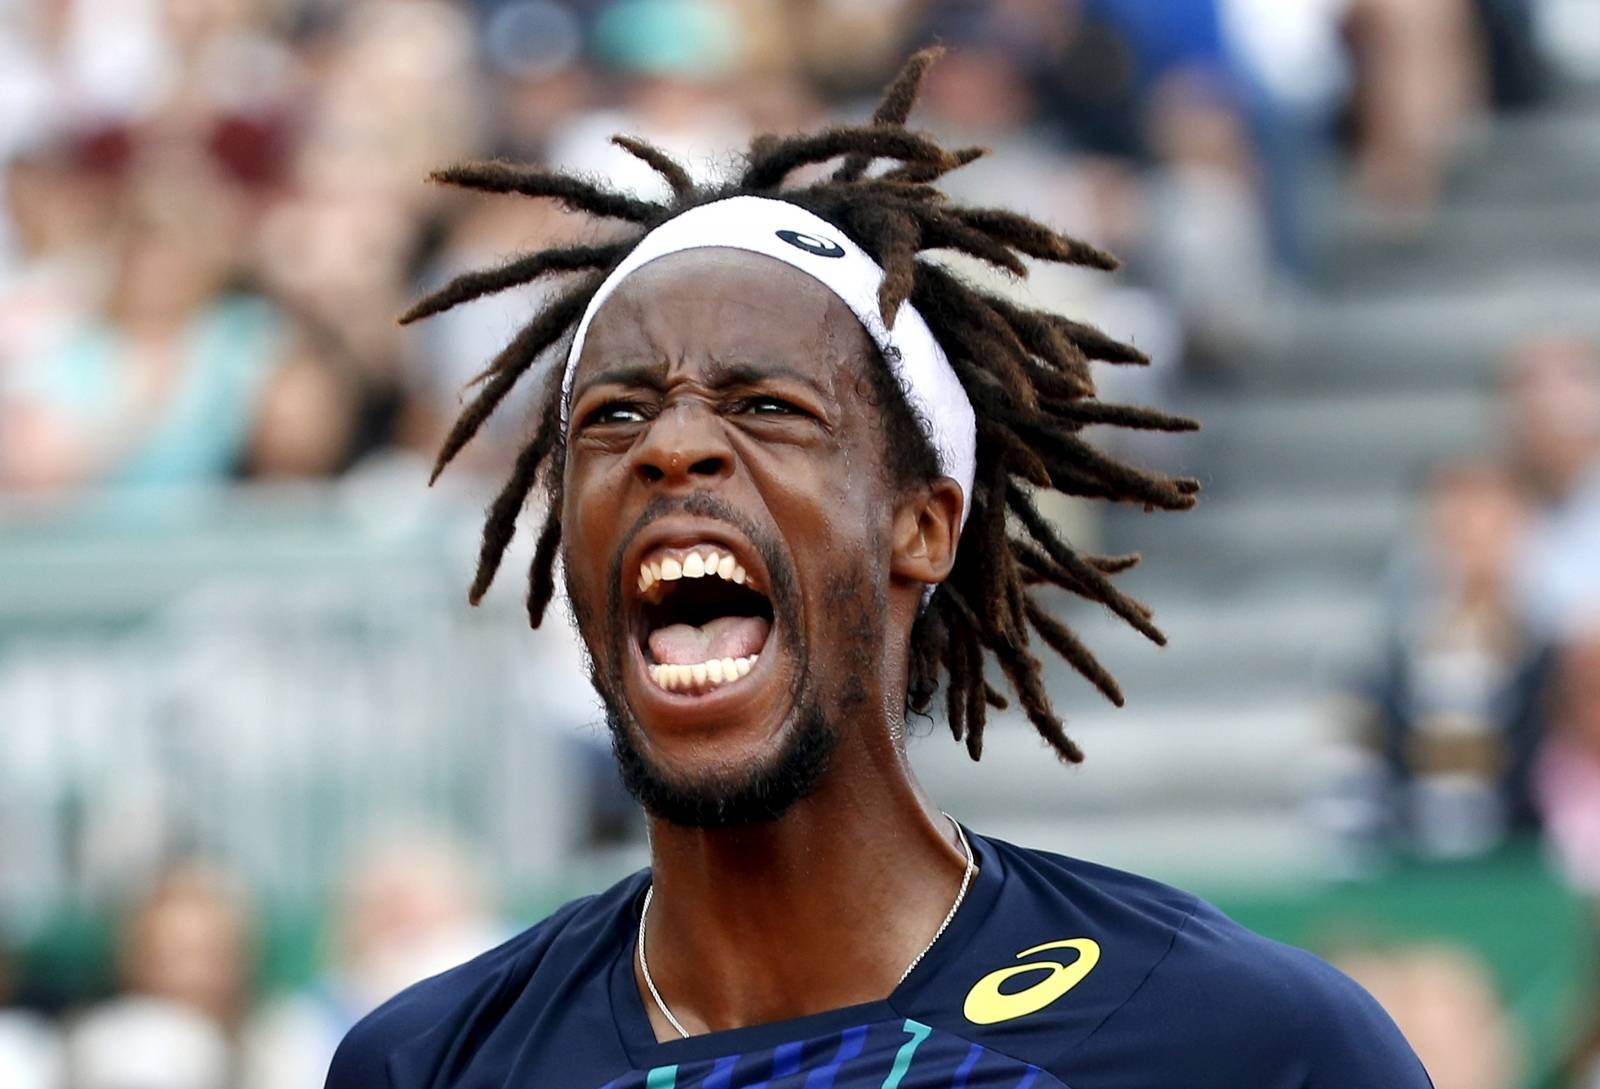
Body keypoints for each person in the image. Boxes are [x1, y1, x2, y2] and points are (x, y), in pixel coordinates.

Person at [326, 51, 1430, 1089]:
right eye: (613, 416)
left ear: (922, 528)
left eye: (767, 406)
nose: (672, 447)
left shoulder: (1242, 1044)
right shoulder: (427, 1064)